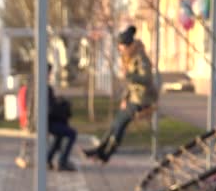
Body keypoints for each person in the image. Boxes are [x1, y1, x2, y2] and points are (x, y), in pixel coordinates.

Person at [82, 25, 158, 163]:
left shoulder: (141, 58)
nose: (119, 48)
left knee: (119, 125)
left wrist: (130, 75)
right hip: (134, 98)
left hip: (142, 99)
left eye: (121, 45)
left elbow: (147, 79)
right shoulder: (131, 57)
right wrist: (125, 98)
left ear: (127, 45)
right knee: (115, 124)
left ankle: (105, 154)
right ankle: (100, 151)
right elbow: (131, 85)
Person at [45, 64, 78, 171]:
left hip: (47, 121)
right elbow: (50, 109)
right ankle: (62, 161)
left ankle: (48, 159)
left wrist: (60, 102)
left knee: (59, 134)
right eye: (49, 73)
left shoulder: (42, 87)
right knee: (71, 133)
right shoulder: (45, 88)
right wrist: (62, 107)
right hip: (47, 123)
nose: (50, 75)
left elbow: (51, 105)